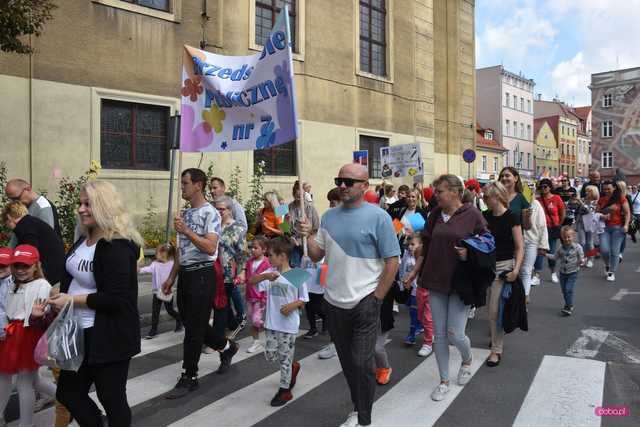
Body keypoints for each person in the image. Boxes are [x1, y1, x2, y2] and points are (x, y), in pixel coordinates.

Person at [299, 163, 400, 427]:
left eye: (348, 181)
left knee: (361, 362)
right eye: (339, 180)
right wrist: (307, 234)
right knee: (347, 363)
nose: (341, 185)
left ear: (365, 186)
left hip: (365, 301)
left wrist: (377, 298)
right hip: (334, 303)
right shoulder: (329, 217)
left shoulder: (379, 217)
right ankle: (358, 407)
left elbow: (392, 261)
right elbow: (315, 255)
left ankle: (363, 419)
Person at [47, 181, 142, 427]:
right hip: (76, 333)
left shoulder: (117, 245)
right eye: (80, 203)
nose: (80, 209)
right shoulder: (84, 238)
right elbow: (76, 277)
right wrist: (55, 296)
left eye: (87, 204)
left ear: (104, 206)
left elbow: (119, 299)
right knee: (68, 393)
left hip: (108, 336)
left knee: (112, 399)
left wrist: (71, 300)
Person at [404, 174, 488, 402]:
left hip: (460, 283)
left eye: (439, 191)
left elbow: (487, 242)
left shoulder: (472, 214)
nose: (435, 195)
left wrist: (469, 251)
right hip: (434, 280)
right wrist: (414, 272)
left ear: (454, 191)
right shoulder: (433, 216)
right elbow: (427, 247)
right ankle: (443, 381)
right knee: (439, 335)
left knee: (455, 333)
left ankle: (467, 359)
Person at [161, 169, 239, 400]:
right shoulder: (184, 213)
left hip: (203, 275)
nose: (182, 187)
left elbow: (210, 247)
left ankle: (189, 376)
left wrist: (187, 231)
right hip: (185, 274)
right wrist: (171, 277)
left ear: (198, 185)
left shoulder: (210, 213)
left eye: (185, 183)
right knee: (191, 322)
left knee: (194, 329)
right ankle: (226, 347)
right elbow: (181, 251)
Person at [0, 245, 56, 427]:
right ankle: (67, 397)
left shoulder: (42, 285)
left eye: (26, 266)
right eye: (16, 266)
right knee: (31, 380)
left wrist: (35, 316)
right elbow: (10, 310)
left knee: (25, 383)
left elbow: (42, 314)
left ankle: (26, 424)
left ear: (35, 266)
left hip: (28, 335)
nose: (21, 270)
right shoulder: (13, 285)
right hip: (13, 335)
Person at [252, 237, 309, 407]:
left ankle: (285, 391)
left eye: (270, 255)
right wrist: (265, 277)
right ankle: (292, 367)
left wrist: (292, 305)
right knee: (270, 355)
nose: (268, 258)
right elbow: (251, 282)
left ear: (282, 256)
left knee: (284, 359)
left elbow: (304, 299)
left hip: (288, 326)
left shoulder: (296, 275)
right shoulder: (270, 273)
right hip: (271, 324)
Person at [482, 182, 524, 367]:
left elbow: (519, 246)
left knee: (494, 310)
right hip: (486, 268)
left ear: (497, 197)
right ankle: (495, 337)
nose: (484, 200)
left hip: (504, 268)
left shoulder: (511, 217)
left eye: (487, 197)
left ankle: (496, 351)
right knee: (489, 309)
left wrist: (516, 270)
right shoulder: (484, 216)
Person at [2, 201, 65, 286]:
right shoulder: (32, 223)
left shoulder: (25, 227)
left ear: (9, 218)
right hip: (58, 272)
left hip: (49, 278)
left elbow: (29, 255)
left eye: (6, 224)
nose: (8, 227)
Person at [214, 196, 247, 333]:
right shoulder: (214, 225)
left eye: (222, 209)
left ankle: (222, 331)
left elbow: (242, 251)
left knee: (223, 300)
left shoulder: (236, 227)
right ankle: (232, 322)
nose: (219, 212)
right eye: (217, 209)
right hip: (215, 269)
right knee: (221, 301)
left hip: (229, 269)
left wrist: (242, 270)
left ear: (229, 210)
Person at [317, 188, 342, 361]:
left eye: (333, 202)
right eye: (330, 202)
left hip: (347, 275)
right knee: (327, 306)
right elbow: (320, 249)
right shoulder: (327, 219)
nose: (330, 206)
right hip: (327, 267)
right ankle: (334, 343)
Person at [139, 244, 182, 339]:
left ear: (164, 254)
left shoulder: (172, 264)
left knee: (170, 310)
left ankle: (179, 319)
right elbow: (147, 269)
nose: (155, 254)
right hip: (156, 293)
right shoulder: (155, 264)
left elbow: (177, 272)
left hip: (167, 292)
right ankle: (153, 331)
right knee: (155, 312)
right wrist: (139, 270)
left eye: (157, 252)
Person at [242, 236, 271, 353]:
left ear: (264, 250)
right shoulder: (249, 262)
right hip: (250, 295)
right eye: (251, 247)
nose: (252, 250)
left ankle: (269, 329)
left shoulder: (267, 263)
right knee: (251, 320)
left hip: (261, 297)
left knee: (256, 320)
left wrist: (266, 296)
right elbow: (247, 276)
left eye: (255, 247)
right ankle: (256, 342)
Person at [545, 227, 584, 315]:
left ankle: (568, 307)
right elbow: (555, 257)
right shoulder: (560, 248)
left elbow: (581, 258)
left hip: (573, 272)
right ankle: (569, 304)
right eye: (565, 237)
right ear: (562, 237)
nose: (567, 239)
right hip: (562, 273)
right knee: (564, 291)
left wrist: (581, 261)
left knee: (568, 289)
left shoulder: (578, 248)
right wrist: (545, 255)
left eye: (569, 237)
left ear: (573, 237)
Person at [597, 180, 630, 282]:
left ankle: (612, 272)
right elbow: (596, 213)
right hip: (604, 228)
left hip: (618, 228)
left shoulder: (621, 198)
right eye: (605, 189)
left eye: (609, 189)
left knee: (615, 251)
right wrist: (604, 213)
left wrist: (626, 225)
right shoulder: (601, 199)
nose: (607, 191)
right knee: (604, 250)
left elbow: (627, 213)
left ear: (614, 188)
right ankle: (607, 265)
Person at [534, 178, 565, 284]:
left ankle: (553, 272)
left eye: (545, 187)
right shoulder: (537, 200)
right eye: (541, 187)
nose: (543, 189)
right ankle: (537, 274)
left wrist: (558, 224)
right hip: (541, 229)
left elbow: (562, 212)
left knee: (551, 252)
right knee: (540, 251)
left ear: (550, 187)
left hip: (552, 228)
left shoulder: (556, 198)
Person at [288, 181, 320, 268]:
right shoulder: (288, 207)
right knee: (295, 268)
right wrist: (290, 237)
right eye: (296, 195)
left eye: (301, 195)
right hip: (294, 245)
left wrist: (308, 235)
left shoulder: (310, 208)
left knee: (308, 269)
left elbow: (317, 228)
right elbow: (284, 228)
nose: (299, 197)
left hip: (308, 244)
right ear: (293, 194)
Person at [579, 185, 601, 268]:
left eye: (588, 191)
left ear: (593, 192)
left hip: (591, 224)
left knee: (590, 243)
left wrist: (580, 203)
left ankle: (590, 259)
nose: (586, 192)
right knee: (582, 242)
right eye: (586, 191)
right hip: (581, 223)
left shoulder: (595, 202)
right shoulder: (583, 200)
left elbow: (589, 210)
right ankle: (583, 258)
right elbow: (578, 211)